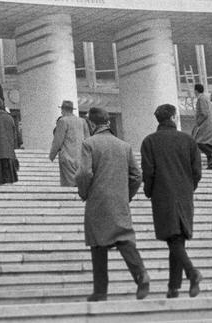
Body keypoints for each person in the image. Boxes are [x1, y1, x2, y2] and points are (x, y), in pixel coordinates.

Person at [76, 106, 150, 302]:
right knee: (124, 238)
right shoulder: (124, 146)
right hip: (119, 200)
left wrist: (84, 192)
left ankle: (100, 291)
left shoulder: (89, 144)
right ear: (107, 122)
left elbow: (84, 173)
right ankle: (141, 275)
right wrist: (127, 195)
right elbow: (136, 175)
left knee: (97, 243)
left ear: (91, 123)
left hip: (97, 200)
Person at [140, 103, 203, 299]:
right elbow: (197, 172)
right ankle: (173, 287)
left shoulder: (149, 142)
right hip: (184, 195)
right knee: (177, 240)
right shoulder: (188, 140)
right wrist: (187, 188)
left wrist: (149, 191)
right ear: (174, 117)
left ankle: (192, 273)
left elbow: (148, 172)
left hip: (162, 195)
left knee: (173, 238)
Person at [49, 100, 87, 187]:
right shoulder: (82, 121)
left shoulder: (63, 121)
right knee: (80, 184)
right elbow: (87, 139)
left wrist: (52, 155)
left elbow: (58, 141)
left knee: (69, 185)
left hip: (67, 157)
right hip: (81, 157)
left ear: (62, 110)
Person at [191, 83, 212, 169]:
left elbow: (204, 113)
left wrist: (198, 123)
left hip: (205, 125)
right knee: (209, 144)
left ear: (196, 90)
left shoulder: (201, 99)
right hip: (209, 125)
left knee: (199, 142)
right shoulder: (206, 98)